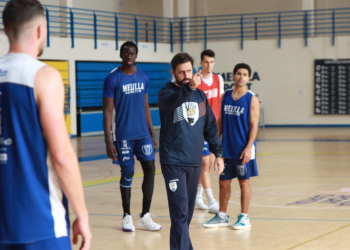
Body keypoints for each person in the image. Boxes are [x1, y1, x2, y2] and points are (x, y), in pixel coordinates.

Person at [0, 1, 91, 249]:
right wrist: (81, 214)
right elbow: (61, 156)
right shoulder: (44, 76)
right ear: (41, 30)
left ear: (6, 30)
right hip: (39, 223)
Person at [158, 52, 224, 250]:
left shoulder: (200, 95)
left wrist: (218, 154)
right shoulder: (166, 93)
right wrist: (189, 87)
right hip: (173, 161)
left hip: (194, 162)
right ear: (173, 72)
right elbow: (172, 103)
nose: (186, 75)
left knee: (185, 215)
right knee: (179, 212)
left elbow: (210, 127)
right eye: (181, 72)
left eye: (188, 71)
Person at [103, 41, 161, 232]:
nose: (129, 55)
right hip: (124, 136)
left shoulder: (143, 76)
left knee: (150, 169)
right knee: (127, 172)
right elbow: (108, 111)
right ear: (121, 54)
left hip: (143, 134)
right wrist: (108, 140)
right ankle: (126, 216)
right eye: (126, 52)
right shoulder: (113, 78)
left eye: (132, 52)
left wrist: (153, 134)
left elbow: (146, 107)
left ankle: (145, 215)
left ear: (136, 55)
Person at [203, 63, 260, 230]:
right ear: (233, 76)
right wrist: (215, 143)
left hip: (243, 148)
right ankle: (222, 216)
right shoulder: (225, 96)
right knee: (223, 183)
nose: (241, 77)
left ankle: (244, 217)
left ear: (249, 78)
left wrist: (249, 147)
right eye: (239, 74)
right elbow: (220, 121)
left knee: (244, 182)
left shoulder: (252, 98)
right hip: (226, 148)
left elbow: (254, 125)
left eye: (245, 74)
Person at [195, 49, 225, 213]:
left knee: (208, 165)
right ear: (201, 63)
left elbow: (220, 101)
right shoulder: (196, 80)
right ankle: (212, 200)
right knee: (205, 163)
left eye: (212, 62)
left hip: (214, 128)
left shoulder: (218, 79)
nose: (209, 65)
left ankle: (198, 196)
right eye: (206, 62)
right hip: (200, 128)